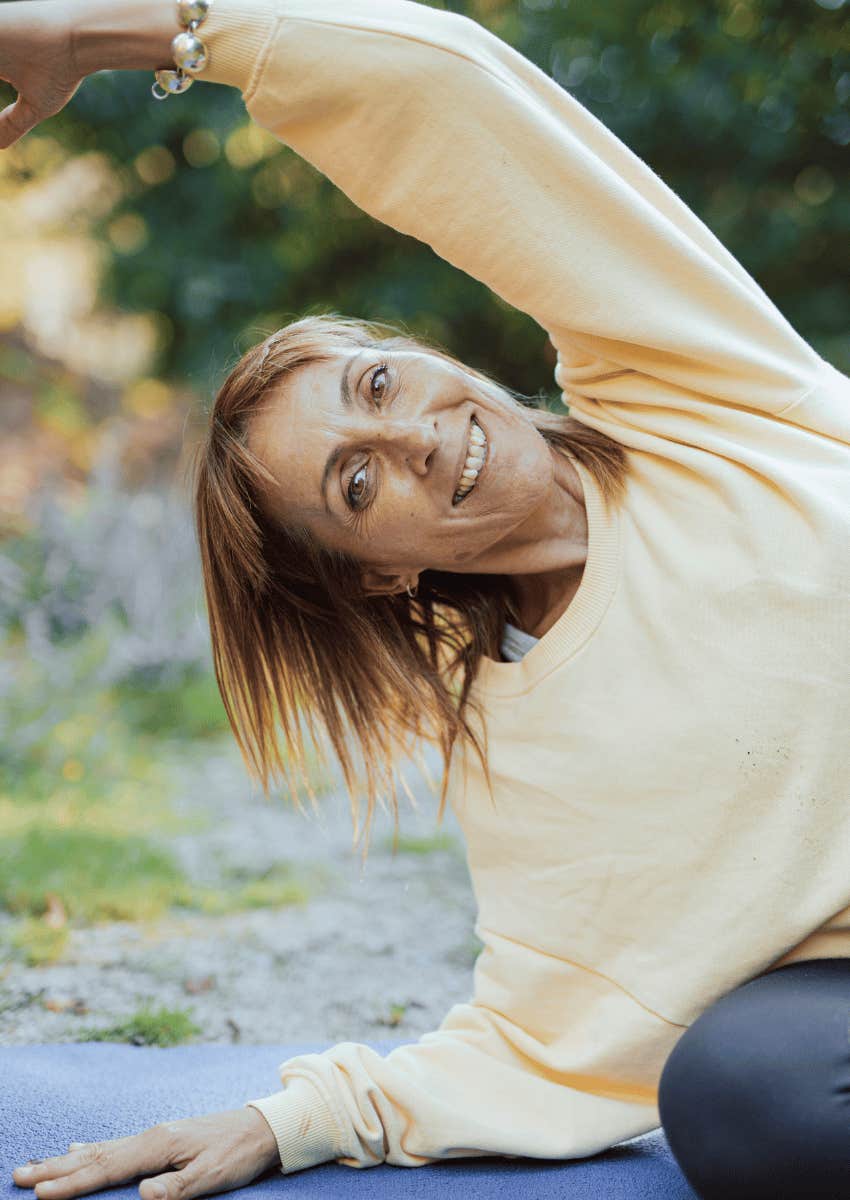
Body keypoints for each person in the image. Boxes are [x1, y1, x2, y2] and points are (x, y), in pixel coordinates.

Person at [3, 2, 850, 1198]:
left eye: (380, 381)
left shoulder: (696, 394)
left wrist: (130, 32)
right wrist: (293, 1120)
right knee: (741, 1094)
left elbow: (452, 102)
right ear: (375, 571)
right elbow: (532, 1042)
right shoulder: (517, 751)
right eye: (355, 483)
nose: (409, 436)